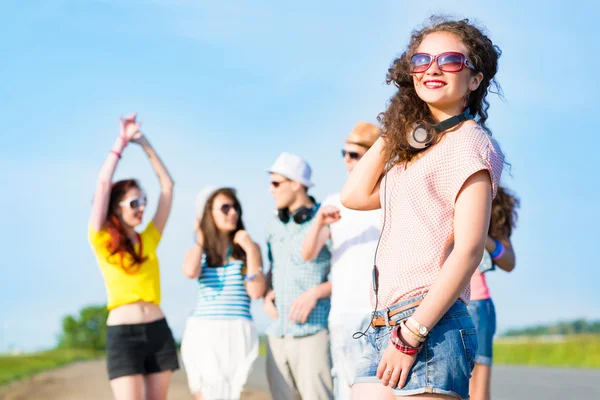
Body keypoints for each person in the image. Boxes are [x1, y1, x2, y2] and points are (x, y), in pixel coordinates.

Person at [341, 16, 505, 399]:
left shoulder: (470, 144)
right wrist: (400, 121)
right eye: (420, 61)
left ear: (475, 79)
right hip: (383, 321)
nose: (432, 68)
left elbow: (467, 251)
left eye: (449, 61)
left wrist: (412, 334)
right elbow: (354, 195)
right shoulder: (413, 154)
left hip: (430, 323)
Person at [88, 113, 178, 400]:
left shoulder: (148, 239)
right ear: (116, 207)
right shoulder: (101, 238)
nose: (142, 207)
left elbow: (168, 187)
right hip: (123, 334)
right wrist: (121, 143)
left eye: (144, 201)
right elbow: (103, 185)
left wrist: (145, 143)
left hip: (158, 329)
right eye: (134, 202)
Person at [301, 122, 382, 399]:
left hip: (381, 311)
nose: (347, 160)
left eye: (355, 154)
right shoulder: (333, 201)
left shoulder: (387, 196)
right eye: (344, 154)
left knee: (380, 389)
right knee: (345, 389)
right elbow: (307, 254)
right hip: (344, 310)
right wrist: (319, 223)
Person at [180, 187, 266, 400]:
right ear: (209, 214)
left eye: (235, 207)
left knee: (236, 392)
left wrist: (252, 251)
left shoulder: (249, 250)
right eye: (225, 208)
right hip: (204, 331)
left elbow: (256, 292)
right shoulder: (200, 251)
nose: (233, 213)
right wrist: (200, 239)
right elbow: (190, 271)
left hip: (238, 330)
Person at [263, 152, 334, 400]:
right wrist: (266, 293)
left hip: (313, 332)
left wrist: (315, 293)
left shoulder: (327, 220)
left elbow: (347, 274)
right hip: (276, 333)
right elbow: (273, 267)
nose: (270, 190)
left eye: (275, 183)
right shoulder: (272, 225)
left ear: (296, 183)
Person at [468, 186, 519, 400]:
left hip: (474, 303)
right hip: (425, 302)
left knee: (477, 393)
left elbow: (509, 261)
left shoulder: (493, 198)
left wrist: (485, 240)